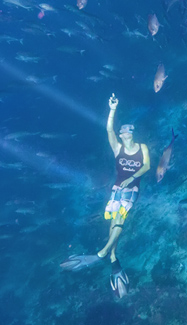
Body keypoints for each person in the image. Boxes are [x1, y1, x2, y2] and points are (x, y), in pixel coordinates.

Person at [62, 93, 150, 299]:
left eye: (129, 129)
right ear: (121, 135)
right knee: (112, 225)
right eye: (124, 130)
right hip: (116, 190)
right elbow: (108, 129)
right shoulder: (117, 148)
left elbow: (147, 165)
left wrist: (133, 177)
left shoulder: (141, 148)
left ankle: (101, 253)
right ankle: (113, 261)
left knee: (120, 218)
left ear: (133, 133)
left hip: (131, 191)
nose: (127, 132)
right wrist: (112, 110)